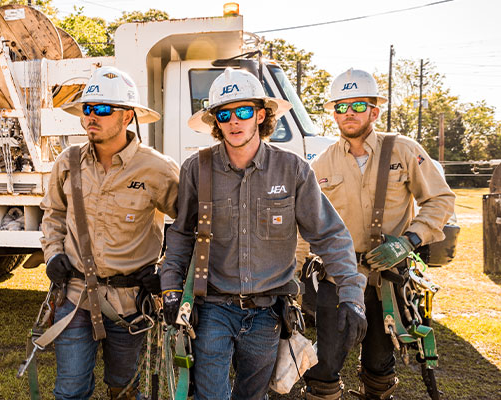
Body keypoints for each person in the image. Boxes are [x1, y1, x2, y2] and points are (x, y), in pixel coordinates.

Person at [160, 67, 367, 400]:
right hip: (214, 306)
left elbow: (330, 235)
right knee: (209, 395)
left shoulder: (293, 169)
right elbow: (182, 235)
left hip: (268, 311)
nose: (234, 121)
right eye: (224, 114)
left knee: (252, 395)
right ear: (216, 122)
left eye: (243, 111)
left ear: (260, 114)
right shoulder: (196, 170)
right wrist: (171, 288)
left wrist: (352, 297)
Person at [301, 68, 455, 400]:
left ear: (375, 110)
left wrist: (409, 241)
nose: (349, 113)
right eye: (341, 107)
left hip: (388, 278)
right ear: (333, 114)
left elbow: (440, 199)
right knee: (324, 365)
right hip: (337, 278)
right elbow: (306, 225)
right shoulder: (321, 165)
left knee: (379, 364)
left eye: (358, 105)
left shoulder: (402, 150)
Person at [40, 66, 180, 400]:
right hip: (75, 297)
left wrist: (166, 269)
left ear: (128, 116)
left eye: (103, 109)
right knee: (70, 390)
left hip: (130, 303)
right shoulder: (67, 162)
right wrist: (53, 254)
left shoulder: (158, 169)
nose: (92, 116)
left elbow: (189, 227)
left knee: (124, 389)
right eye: (87, 109)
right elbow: (53, 214)